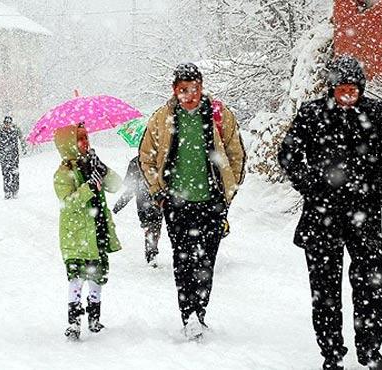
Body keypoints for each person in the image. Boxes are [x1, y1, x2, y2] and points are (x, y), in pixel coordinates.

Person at [277, 55, 382, 370]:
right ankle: (332, 354)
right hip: (321, 216)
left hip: (365, 215)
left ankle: (371, 352)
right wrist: (309, 184)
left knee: (370, 285)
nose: (347, 96)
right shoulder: (312, 114)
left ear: (361, 88)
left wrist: (379, 188)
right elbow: (288, 153)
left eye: (353, 90)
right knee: (324, 291)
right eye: (341, 90)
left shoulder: (376, 113)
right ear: (331, 88)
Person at [139, 62, 246, 340]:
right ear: (175, 90)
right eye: (184, 89)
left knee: (207, 260)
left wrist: (228, 191)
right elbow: (146, 157)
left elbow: (236, 152)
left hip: (211, 201)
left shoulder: (218, 115)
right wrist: (158, 190)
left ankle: (201, 311)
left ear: (202, 87)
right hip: (176, 203)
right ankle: (188, 315)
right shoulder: (162, 118)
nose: (190, 95)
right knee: (183, 259)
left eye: (195, 88)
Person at [53, 122, 122, 340]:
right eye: (79, 139)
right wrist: (88, 188)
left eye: (86, 138)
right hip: (77, 235)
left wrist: (102, 169)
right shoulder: (63, 173)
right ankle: (74, 322)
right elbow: (68, 202)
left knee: (97, 276)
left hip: (97, 229)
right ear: (68, 144)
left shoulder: (92, 165)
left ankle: (94, 318)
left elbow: (116, 185)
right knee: (76, 277)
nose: (85, 142)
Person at [112, 155, 163, 267]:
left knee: (152, 227)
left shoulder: (136, 161)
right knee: (154, 226)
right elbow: (131, 189)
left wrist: (118, 206)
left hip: (146, 202)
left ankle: (151, 251)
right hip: (154, 201)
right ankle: (151, 252)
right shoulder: (160, 159)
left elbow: (130, 189)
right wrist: (118, 206)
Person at [0, 116, 27, 199]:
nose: (7, 125)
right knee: (5, 173)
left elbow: (21, 138)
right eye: (6, 123)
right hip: (3, 155)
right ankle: (7, 191)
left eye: (9, 123)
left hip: (14, 154)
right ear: (4, 123)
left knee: (15, 172)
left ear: (11, 123)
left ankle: (15, 190)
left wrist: (24, 147)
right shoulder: (0, 130)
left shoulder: (16, 129)